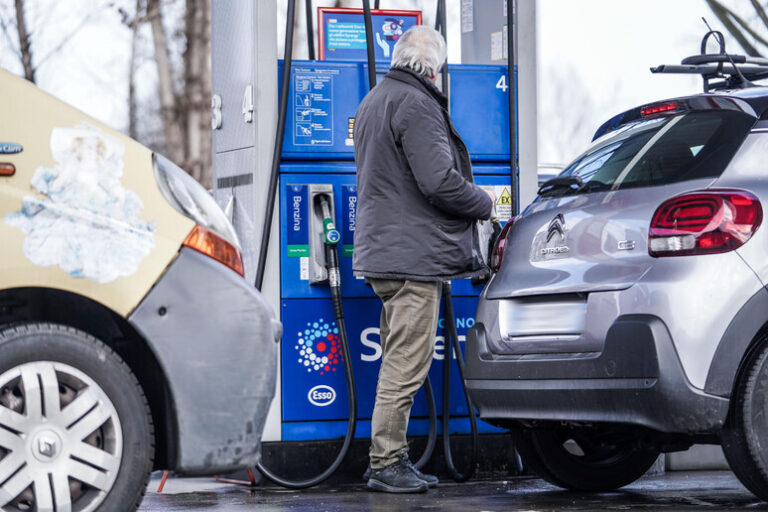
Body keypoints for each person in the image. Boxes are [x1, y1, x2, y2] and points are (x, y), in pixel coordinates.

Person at [353, 25, 496, 494]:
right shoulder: (416, 105)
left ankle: (389, 458)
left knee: (398, 358)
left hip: (387, 251)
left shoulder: (375, 100)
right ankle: (386, 461)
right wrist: (486, 202)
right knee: (406, 364)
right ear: (435, 69)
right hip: (411, 258)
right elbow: (439, 183)